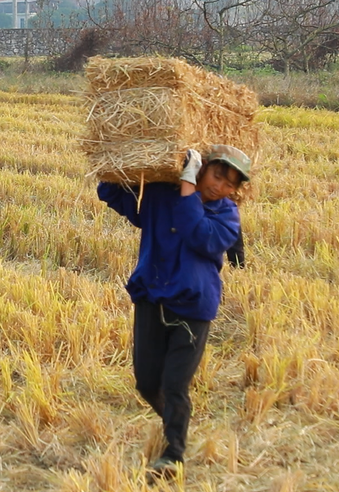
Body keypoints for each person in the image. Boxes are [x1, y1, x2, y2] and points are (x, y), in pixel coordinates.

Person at [97, 144, 251, 481]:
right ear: (204, 166)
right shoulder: (163, 196)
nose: (219, 187)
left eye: (229, 184)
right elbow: (115, 196)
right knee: (148, 383)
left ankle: (173, 454)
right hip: (152, 298)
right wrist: (116, 163)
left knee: (175, 384)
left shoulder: (226, 217)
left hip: (194, 308)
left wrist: (187, 187)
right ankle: (175, 425)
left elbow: (198, 234)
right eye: (217, 175)